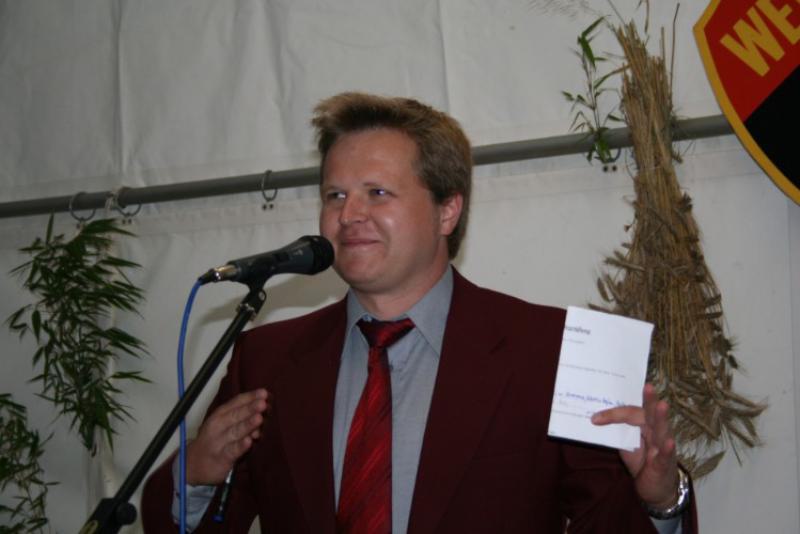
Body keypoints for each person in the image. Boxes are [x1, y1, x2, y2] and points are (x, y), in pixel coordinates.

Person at [142, 93, 697, 533]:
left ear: (447, 210)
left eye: (377, 193)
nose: (348, 215)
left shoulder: (553, 350)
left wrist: (659, 501)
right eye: (335, 195)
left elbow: (608, 520)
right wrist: (196, 478)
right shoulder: (266, 358)